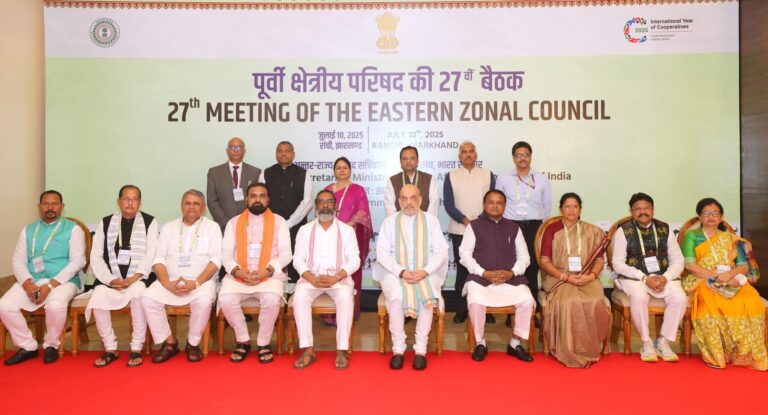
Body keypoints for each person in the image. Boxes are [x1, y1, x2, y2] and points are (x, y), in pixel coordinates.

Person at [681, 197, 767, 371]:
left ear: (721, 217)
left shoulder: (731, 239)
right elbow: (689, 265)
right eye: (706, 213)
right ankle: (718, 354)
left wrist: (729, 275)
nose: (711, 216)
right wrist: (716, 276)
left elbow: (743, 266)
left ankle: (744, 354)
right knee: (711, 305)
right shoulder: (692, 236)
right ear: (700, 216)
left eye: (715, 213)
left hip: (731, 279)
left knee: (751, 302)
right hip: (702, 279)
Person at [1, 190, 86, 365]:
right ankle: (28, 346)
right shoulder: (28, 230)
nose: (50, 207)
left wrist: (50, 286)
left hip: (63, 281)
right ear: (39, 207)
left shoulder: (73, 229)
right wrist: (27, 284)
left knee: (55, 305)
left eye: (55, 204)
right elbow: (18, 260)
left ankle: (51, 345)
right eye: (46, 204)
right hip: (33, 280)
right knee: (4, 305)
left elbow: (78, 261)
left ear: (62, 207)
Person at [141, 189, 222, 363]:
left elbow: (216, 260)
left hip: (201, 282)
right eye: (187, 203)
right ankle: (169, 342)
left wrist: (196, 283)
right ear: (181, 206)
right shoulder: (169, 228)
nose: (191, 207)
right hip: (170, 280)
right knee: (147, 298)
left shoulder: (212, 228)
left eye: (196, 204)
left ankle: (192, 344)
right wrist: (166, 283)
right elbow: (158, 259)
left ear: (203, 207)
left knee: (204, 301)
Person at [374, 184, 449, 370]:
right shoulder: (390, 222)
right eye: (404, 198)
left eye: (413, 198)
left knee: (426, 297)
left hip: (425, 272)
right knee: (397, 297)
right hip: (396, 273)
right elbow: (382, 252)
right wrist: (401, 272)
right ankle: (398, 350)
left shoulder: (431, 221)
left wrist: (425, 271)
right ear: (399, 201)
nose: (408, 202)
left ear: (420, 200)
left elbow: (441, 251)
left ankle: (420, 350)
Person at [87, 185, 159, 368]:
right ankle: (110, 347)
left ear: (140, 202)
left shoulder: (150, 222)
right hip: (111, 279)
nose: (130, 203)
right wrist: (111, 280)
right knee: (98, 295)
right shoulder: (105, 222)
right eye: (126, 198)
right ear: (119, 201)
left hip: (138, 278)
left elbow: (151, 254)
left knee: (139, 293)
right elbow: (96, 256)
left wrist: (134, 278)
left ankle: (136, 347)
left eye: (134, 199)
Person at [219, 182, 291, 364]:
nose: (257, 200)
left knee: (271, 299)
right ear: (246, 200)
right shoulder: (234, 222)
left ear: (268, 199)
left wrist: (266, 271)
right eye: (253, 196)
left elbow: (286, 254)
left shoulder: (280, 222)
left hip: (268, 274)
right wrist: (237, 271)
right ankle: (242, 340)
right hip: (239, 275)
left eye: (262, 196)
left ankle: (263, 343)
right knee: (226, 299)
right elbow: (226, 254)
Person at [458, 190, 534, 362]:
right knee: (475, 302)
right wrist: (483, 273)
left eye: (499, 203)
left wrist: (511, 273)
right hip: (481, 279)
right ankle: (480, 343)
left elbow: (524, 257)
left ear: (505, 206)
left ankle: (515, 343)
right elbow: (465, 255)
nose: (495, 206)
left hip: (510, 279)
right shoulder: (473, 226)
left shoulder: (514, 228)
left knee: (527, 301)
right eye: (491, 202)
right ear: (484, 205)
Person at [611, 192, 686, 362]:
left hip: (663, 277)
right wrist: (644, 278)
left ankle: (663, 342)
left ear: (653, 210)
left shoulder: (665, 229)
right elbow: (618, 264)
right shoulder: (624, 231)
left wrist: (666, 277)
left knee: (680, 298)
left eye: (646, 208)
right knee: (638, 296)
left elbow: (678, 260)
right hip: (635, 278)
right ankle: (646, 343)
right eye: (638, 209)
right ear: (631, 211)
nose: (642, 212)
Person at [539, 193, 610, 368]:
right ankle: (570, 349)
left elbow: (599, 260)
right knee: (569, 302)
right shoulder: (552, 230)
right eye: (567, 206)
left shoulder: (592, 231)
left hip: (587, 277)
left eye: (575, 206)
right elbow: (545, 261)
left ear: (580, 209)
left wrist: (591, 276)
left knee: (595, 301)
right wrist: (565, 277)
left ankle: (588, 347)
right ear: (561, 209)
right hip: (559, 277)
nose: (571, 210)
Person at [292, 190, 360, 369]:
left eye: (329, 202)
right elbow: (297, 259)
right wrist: (311, 278)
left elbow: (355, 261)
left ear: (335, 206)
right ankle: (308, 350)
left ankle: (342, 350)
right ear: (315, 206)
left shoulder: (347, 231)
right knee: (299, 297)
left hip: (337, 279)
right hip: (311, 279)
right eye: (321, 202)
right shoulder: (305, 230)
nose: (325, 205)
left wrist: (336, 277)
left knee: (345, 297)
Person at [496, 141, 551, 327]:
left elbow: (546, 206)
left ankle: (532, 312)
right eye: (518, 155)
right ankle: (510, 312)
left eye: (526, 154)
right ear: (513, 158)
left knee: (532, 268)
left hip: (534, 228)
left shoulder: (541, 179)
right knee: (512, 267)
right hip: (511, 226)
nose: (522, 158)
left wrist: (538, 224)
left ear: (530, 157)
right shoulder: (504, 179)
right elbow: (498, 204)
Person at [443, 140, 495, 324]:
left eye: (471, 151)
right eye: (464, 152)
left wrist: (479, 221)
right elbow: (448, 204)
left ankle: (487, 309)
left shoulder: (488, 175)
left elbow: (492, 201)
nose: (467, 154)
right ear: (459, 156)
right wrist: (466, 221)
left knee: (485, 268)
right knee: (462, 269)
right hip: (460, 230)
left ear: (476, 155)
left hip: (485, 228)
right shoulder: (451, 176)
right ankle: (461, 309)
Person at [324, 157, 372, 320]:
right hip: (330, 236)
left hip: (350, 235)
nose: (342, 170)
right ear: (334, 171)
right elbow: (322, 210)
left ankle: (349, 313)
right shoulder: (327, 190)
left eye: (345, 168)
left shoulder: (358, 190)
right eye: (338, 168)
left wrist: (345, 227)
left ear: (350, 170)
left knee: (350, 269)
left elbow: (362, 213)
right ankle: (329, 315)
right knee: (330, 268)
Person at [262, 141, 313, 283]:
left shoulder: (304, 174)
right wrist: (275, 222)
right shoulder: (266, 173)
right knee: (272, 257)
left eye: (287, 150)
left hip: (296, 226)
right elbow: (262, 199)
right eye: (280, 151)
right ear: (276, 154)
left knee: (296, 256)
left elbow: (307, 202)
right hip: (271, 226)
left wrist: (289, 223)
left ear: (293, 154)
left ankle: (295, 290)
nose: (283, 153)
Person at [206, 137, 262, 232]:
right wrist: (226, 223)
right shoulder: (214, 173)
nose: (236, 150)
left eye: (239, 147)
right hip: (223, 227)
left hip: (249, 226)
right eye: (232, 147)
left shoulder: (255, 172)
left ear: (244, 151)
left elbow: (257, 200)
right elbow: (212, 201)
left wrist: (248, 221)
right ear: (227, 150)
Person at [384, 146, 439, 217]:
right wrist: (395, 222)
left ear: (417, 161)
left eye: (412, 158)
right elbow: (389, 206)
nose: (408, 161)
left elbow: (434, 203)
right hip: (399, 222)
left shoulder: (429, 179)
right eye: (405, 158)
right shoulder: (392, 181)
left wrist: (427, 221)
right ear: (400, 162)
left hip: (424, 222)